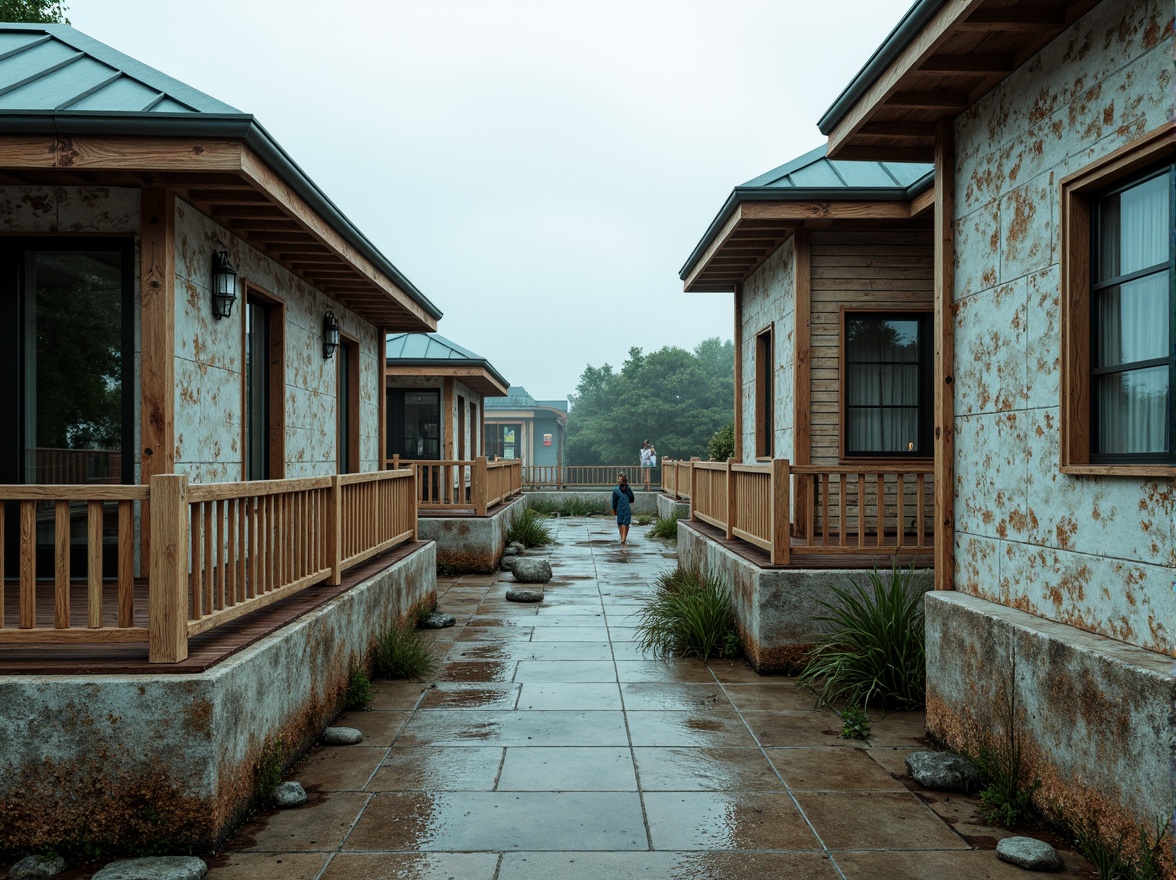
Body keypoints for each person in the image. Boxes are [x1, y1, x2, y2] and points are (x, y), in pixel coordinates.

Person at [612, 473, 635, 545]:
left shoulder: (616, 490)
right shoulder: (628, 489)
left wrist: (614, 509)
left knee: (620, 523)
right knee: (626, 523)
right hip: (626, 507)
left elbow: (614, 501)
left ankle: (622, 537)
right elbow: (632, 499)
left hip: (619, 507)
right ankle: (624, 538)